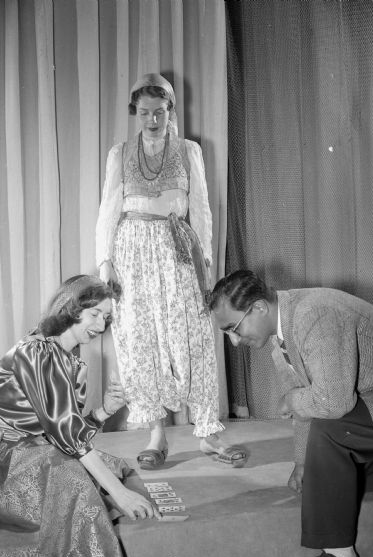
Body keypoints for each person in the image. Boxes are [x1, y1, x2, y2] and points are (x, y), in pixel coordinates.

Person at [209, 269, 373, 557]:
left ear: (259, 308)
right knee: (328, 468)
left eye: (234, 328)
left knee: (333, 425)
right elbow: (309, 397)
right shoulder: (280, 333)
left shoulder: (314, 314)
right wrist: (305, 462)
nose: (234, 342)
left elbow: (331, 402)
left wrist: (292, 401)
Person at [0, 275, 158, 557]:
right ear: (71, 307)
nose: (101, 324)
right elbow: (68, 436)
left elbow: (68, 430)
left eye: (106, 318)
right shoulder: (36, 351)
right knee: (72, 477)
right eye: (95, 313)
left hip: (20, 449)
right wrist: (120, 494)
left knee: (101, 465)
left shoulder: (68, 358)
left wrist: (105, 411)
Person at [95, 73, 246, 469]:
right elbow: (108, 212)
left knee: (192, 336)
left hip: (177, 248)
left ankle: (209, 434)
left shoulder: (188, 150)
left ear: (170, 110)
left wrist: (207, 263)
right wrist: (105, 263)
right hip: (131, 253)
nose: (151, 120)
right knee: (140, 339)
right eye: (143, 112)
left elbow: (202, 210)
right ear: (135, 113)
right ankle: (156, 435)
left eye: (159, 111)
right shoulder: (120, 153)